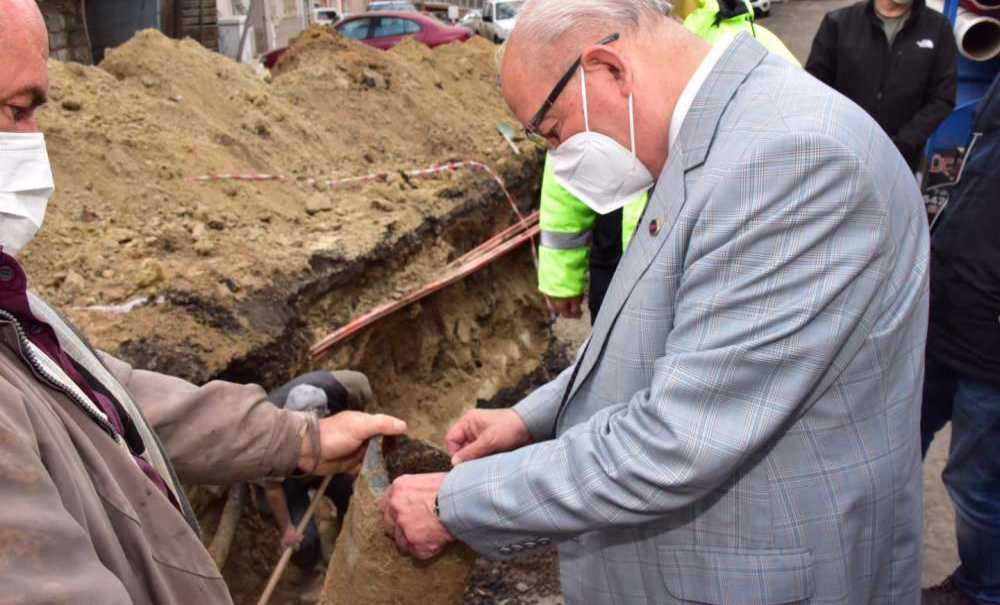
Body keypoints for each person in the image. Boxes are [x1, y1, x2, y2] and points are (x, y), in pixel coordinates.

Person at [381, 1, 930, 603]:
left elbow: (677, 441)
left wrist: (455, 503)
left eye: (554, 131)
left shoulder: (789, 161)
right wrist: (528, 419)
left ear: (608, 70)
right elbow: (662, 338)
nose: (560, 159)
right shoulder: (711, 138)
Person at [0, 2, 407, 602]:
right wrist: (292, 515)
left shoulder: (17, 313)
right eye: (16, 110)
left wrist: (303, 442)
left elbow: (118, 400)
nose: (35, 142)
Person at [539, 0, 798, 321]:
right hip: (618, 256)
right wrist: (560, 274)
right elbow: (569, 153)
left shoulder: (753, 47)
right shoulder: (600, 37)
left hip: (709, 269)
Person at [920, 74, 1000, 605]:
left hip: (990, 353)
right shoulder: (990, 96)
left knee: (975, 486)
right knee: (892, 445)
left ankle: (981, 590)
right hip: (943, 315)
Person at [805, 0, 957, 170]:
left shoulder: (938, 28)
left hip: (900, 161)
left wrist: (904, 143)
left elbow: (942, 97)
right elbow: (814, 87)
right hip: (840, 155)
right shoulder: (839, 23)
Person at [257, 371, 371, 573]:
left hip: (319, 463)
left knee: (349, 491)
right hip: (283, 483)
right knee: (302, 541)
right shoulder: (271, 445)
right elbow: (273, 490)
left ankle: (345, 533)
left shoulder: (331, 399)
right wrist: (287, 529)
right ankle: (313, 570)